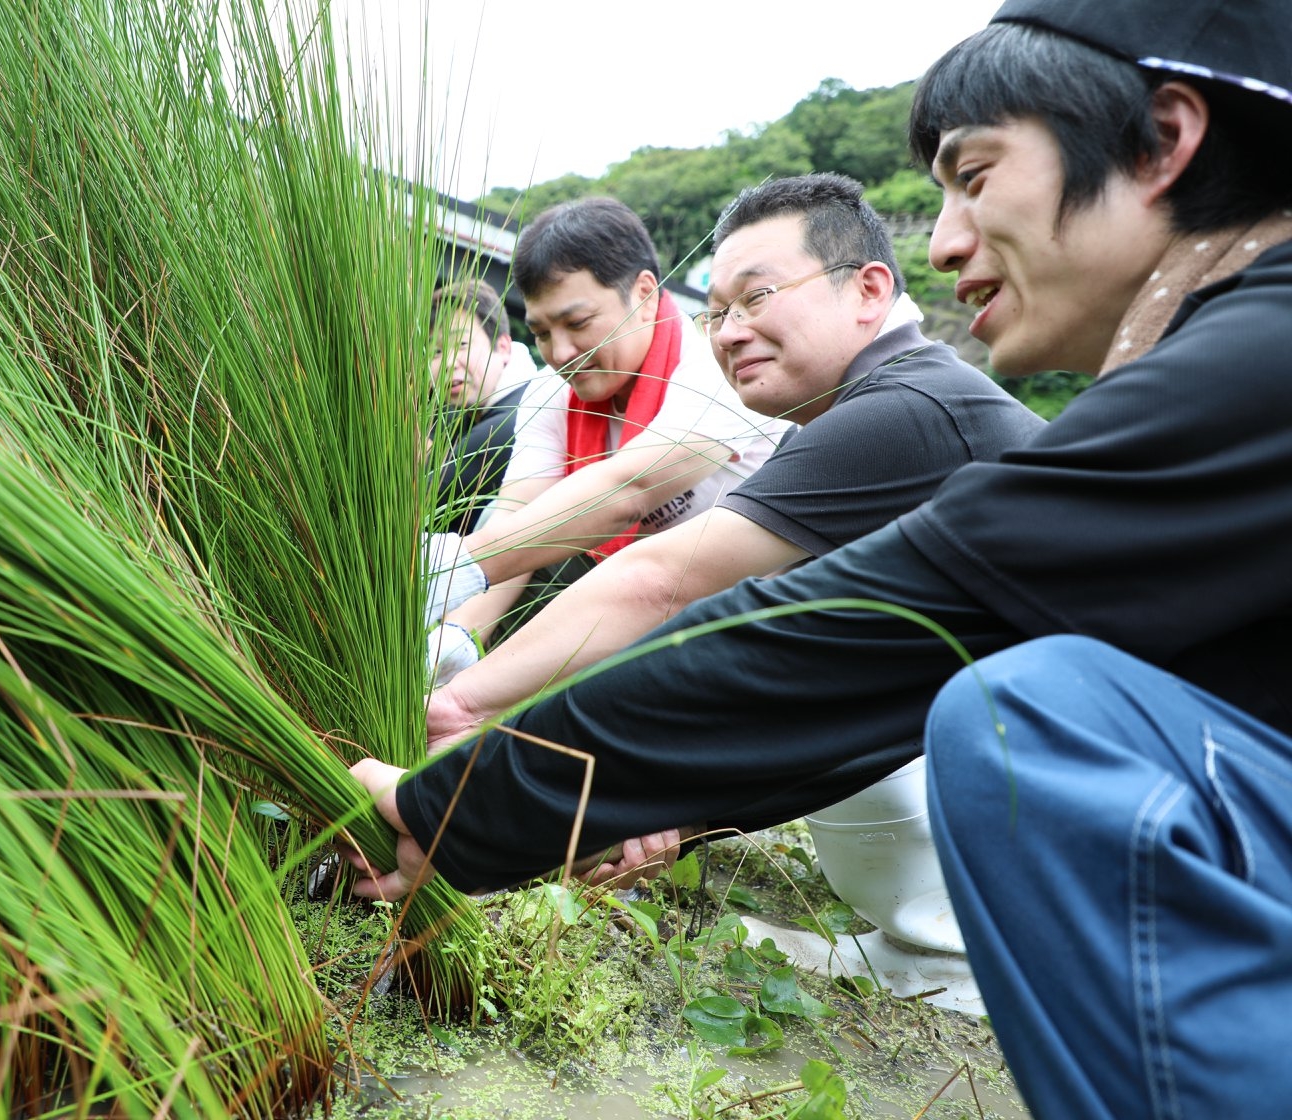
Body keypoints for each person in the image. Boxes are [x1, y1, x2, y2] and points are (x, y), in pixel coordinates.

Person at [352, 0, 1292, 1113]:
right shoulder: (1226, 352)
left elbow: (807, 624)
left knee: (1033, 709)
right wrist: (638, 804)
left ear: (1164, 141)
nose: (944, 239)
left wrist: (467, 795)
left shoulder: (1215, 365)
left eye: (976, 175)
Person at [427, 174, 1043, 746]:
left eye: (758, 297)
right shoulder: (844, 407)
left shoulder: (891, 409)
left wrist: (463, 698)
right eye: (720, 311)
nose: (728, 331)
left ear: (869, 289)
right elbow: (515, 516)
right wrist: (457, 635)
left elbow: (650, 544)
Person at [423, 197, 790, 676]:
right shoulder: (549, 392)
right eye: (541, 333)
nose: (562, 352)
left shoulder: (715, 370)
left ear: (642, 294)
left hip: (739, 615)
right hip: (623, 602)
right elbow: (520, 513)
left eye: (577, 324)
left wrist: (458, 565)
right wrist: (458, 636)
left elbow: (629, 489)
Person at [428, 277, 544, 536]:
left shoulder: (511, 422)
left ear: (503, 346)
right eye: (436, 351)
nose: (448, 362)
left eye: (462, 345)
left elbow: (415, 504)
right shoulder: (467, 413)